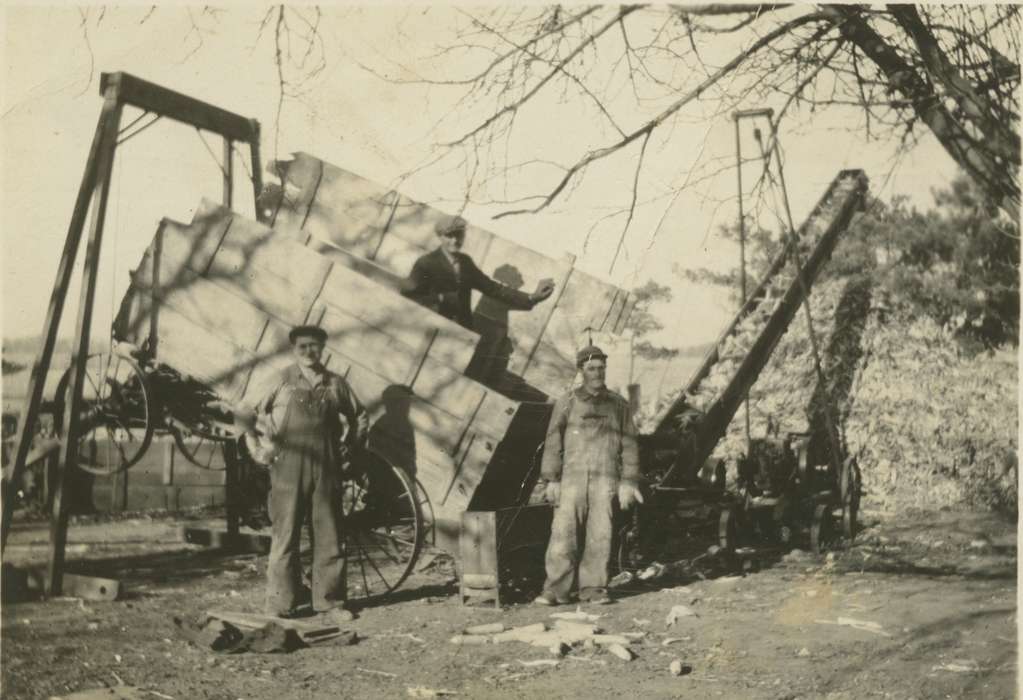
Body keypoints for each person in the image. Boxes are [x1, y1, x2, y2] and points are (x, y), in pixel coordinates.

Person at [244, 324, 368, 622]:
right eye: (303, 347)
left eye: (315, 346)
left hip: (326, 468)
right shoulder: (280, 380)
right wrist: (257, 449)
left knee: (329, 534)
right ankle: (279, 605)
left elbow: (360, 416)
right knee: (285, 535)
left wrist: (349, 450)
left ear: (323, 348)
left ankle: (330, 603)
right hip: (288, 468)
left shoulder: (335, 384)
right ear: (293, 349)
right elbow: (245, 411)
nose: (309, 352)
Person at [534, 345, 644, 606]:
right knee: (562, 534)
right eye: (592, 368)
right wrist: (552, 479)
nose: (598, 373)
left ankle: (594, 589)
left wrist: (628, 482)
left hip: (605, 479)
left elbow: (630, 445)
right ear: (581, 370)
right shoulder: (567, 402)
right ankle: (555, 590)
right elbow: (552, 442)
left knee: (601, 534)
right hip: (571, 480)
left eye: (601, 368)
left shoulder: (618, 404)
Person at [400, 214, 556, 329]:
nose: (455, 241)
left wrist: (532, 297)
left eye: (459, 235)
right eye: (449, 236)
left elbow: (493, 288)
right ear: (440, 237)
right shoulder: (426, 263)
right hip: (428, 326)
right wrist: (440, 298)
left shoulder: (465, 262)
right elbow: (409, 295)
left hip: (461, 330)